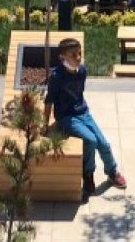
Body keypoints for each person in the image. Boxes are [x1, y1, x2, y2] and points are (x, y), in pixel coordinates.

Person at [44, 38, 127, 200]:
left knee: (103, 143)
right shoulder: (56, 76)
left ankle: (112, 172)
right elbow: (49, 101)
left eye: (79, 53)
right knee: (90, 140)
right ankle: (88, 176)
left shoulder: (82, 71)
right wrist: (45, 125)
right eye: (73, 55)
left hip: (83, 112)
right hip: (66, 116)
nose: (78, 57)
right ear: (63, 57)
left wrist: (83, 112)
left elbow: (79, 95)